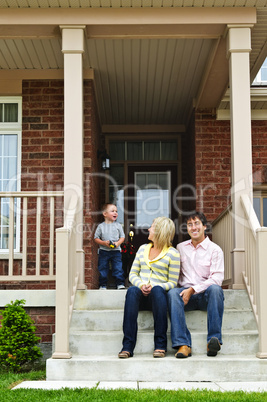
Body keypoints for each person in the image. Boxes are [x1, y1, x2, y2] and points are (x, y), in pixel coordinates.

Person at [118, 217, 180, 359]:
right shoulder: (142, 249)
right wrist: (141, 285)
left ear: (159, 231)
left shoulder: (173, 253)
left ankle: (160, 345)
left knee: (158, 290)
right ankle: (127, 346)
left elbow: (173, 282)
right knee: (132, 290)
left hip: (158, 298)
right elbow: (133, 274)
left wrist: (154, 286)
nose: (148, 229)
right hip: (140, 296)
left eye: (151, 227)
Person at [168, 212, 224, 358]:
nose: (193, 227)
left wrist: (193, 289)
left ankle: (214, 340)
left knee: (216, 289)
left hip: (206, 296)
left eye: (197, 223)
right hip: (186, 297)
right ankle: (183, 344)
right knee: (173, 293)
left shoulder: (215, 250)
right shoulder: (180, 248)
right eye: (190, 225)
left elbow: (217, 278)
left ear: (204, 226)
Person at [94, 203, 125, 290]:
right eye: (112, 211)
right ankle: (103, 285)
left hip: (116, 251)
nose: (115, 213)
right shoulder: (101, 226)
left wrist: (118, 243)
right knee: (103, 268)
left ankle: (120, 284)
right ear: (105, 214)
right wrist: (104, 243)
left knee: (118, 268)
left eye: (116, 211)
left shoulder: (118, 225)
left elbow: (122, 237)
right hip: (104, 251)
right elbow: (96, 238)